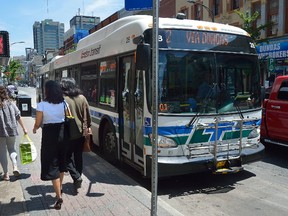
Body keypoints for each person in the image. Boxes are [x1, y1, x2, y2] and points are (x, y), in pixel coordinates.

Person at [33, 80, 67, 210]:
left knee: (52, 164)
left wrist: (35, 128)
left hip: (49, 136)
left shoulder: (41, 105)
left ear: (47, 91)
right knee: (61, 163)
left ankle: (59, 197)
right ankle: (60, 187)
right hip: (63, 133)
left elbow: (38, 122)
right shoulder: (63, 103)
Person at [60, 77, 91, 191]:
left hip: (67, 134)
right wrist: (88, 128)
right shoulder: (82, 98)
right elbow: (87, 115)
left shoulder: (62, 99)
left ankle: (76, 177)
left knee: (66, 157)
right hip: (81, 133)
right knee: (78, 156)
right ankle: (78, 177)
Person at [0, 84, 27, 181]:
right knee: (12, 148)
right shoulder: (10, 103)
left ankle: (6, 174)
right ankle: (15, 166)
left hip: (0, 131)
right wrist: (24, 128)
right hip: (12, 129)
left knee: (2, 151)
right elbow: (18, 115)